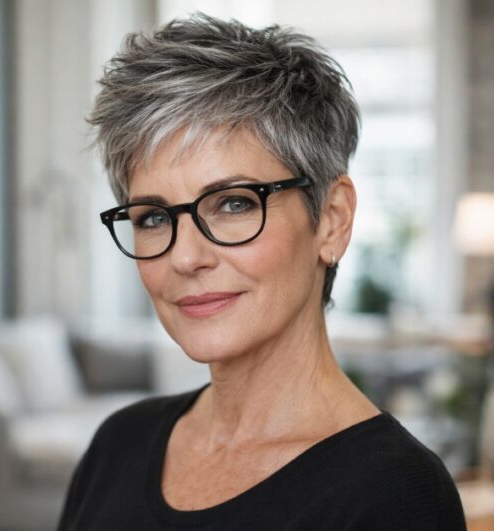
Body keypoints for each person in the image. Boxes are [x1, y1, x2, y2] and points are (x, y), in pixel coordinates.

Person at [57, 13, 466, 531]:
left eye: (233, 204)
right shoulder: (119, 445)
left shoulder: (397, 497)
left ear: (332, 221)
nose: (186, 257)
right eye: (155, 218)